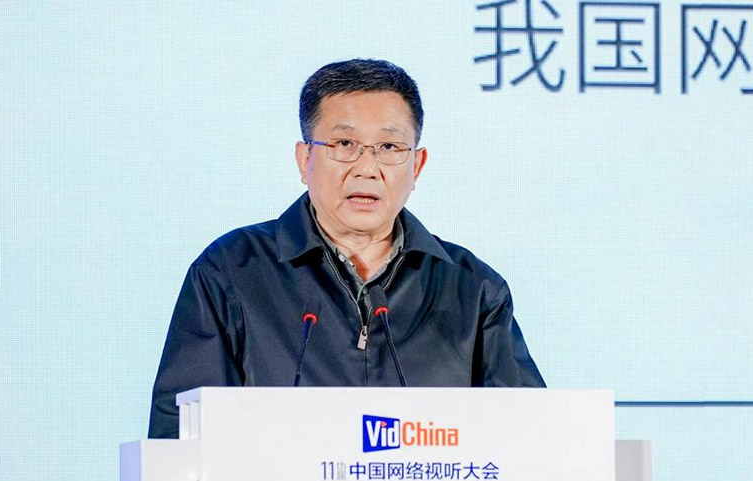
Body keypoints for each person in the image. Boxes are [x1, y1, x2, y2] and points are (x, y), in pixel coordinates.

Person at [148, 59, 545, 439]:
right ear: (305, 159)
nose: (367, 168)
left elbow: (530, 440)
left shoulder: (473, 290)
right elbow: (180, 440)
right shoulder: (231, 272)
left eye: (389, 147)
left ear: (417, 166)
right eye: (344, 143)